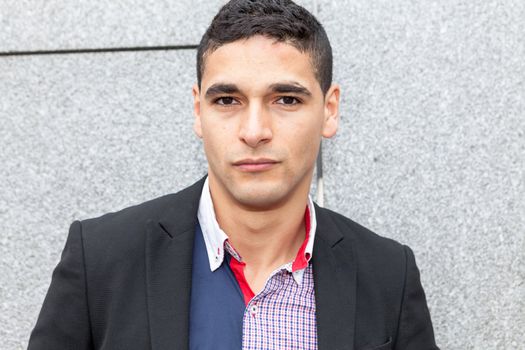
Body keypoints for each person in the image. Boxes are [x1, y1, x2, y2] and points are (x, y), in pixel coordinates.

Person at [28, 0, 439, 349]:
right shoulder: (100, 260)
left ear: (329, 110)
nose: (254, 131)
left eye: (286, 99)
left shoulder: (389, 275)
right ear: (197, 111)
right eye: (227, 99)